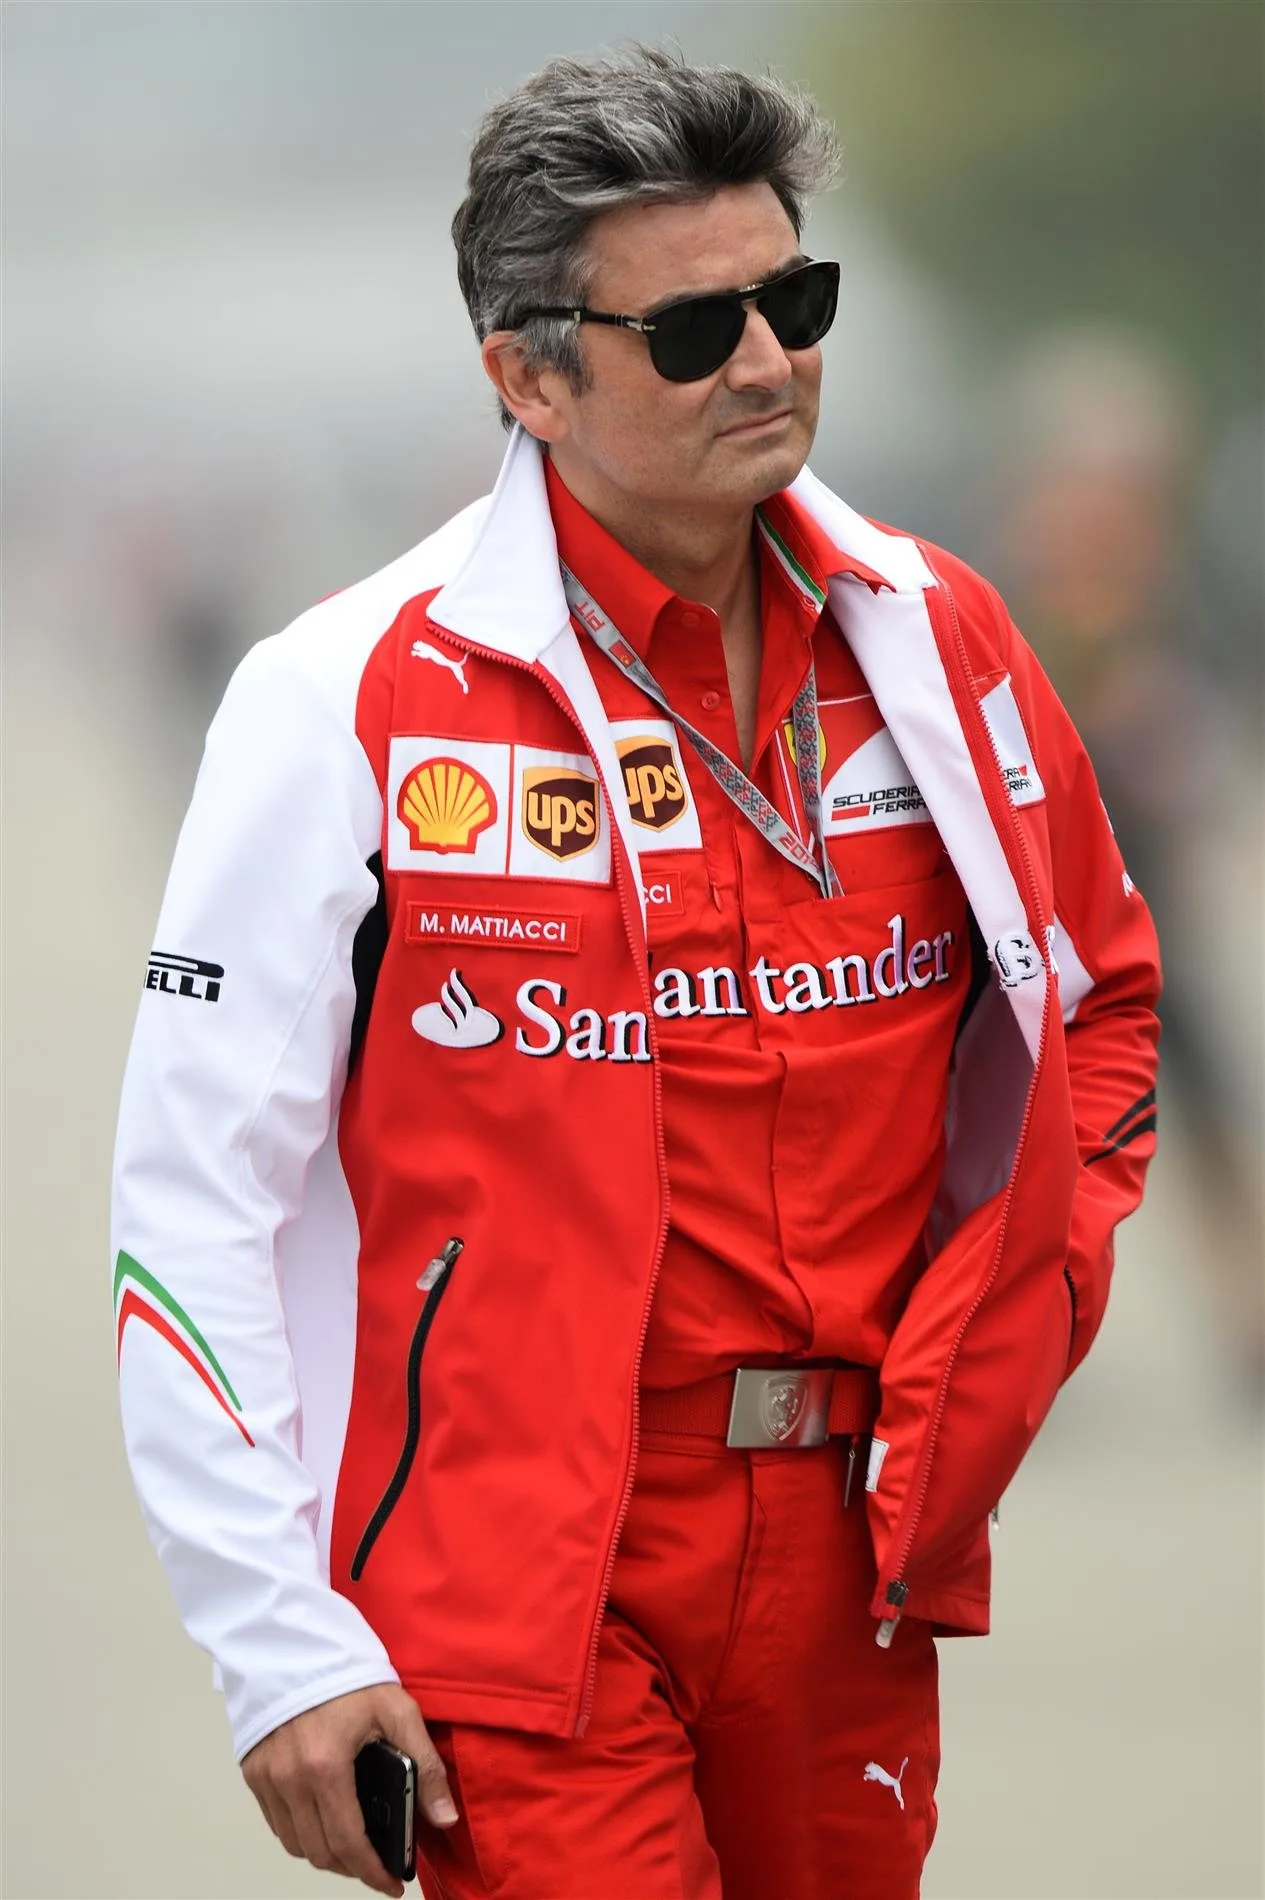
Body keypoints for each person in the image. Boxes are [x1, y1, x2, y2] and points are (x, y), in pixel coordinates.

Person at [111, 48, 1161, 1900]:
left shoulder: (945, 637)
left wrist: (1006, 1336)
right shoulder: (344, 694)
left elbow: (1104, 1004)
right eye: (695, 332)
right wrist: (275, 1637)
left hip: (855, 1549)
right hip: (519, 1576)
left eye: (796, 301)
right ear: (527, 373)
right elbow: (194, 1199)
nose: (767, 361)